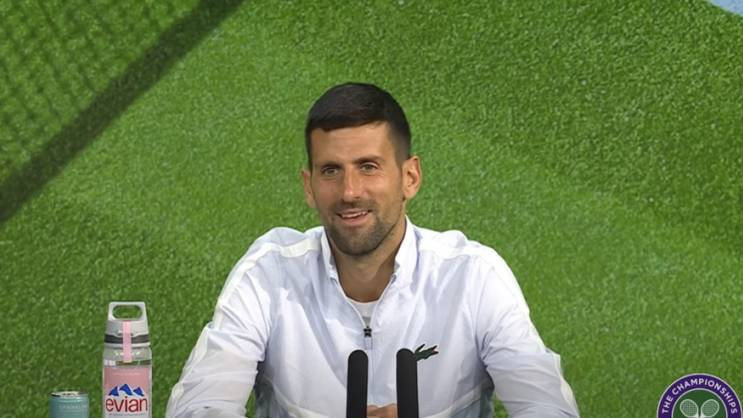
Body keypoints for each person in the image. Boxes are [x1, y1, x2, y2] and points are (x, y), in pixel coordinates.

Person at [166, 82, 580, 418]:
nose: (349, 192)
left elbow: (548, 408)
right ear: (309, 186)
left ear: (410, 177)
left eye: (368, 167)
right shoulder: (269, 272)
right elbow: (200, 406)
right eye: (331, 170)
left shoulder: (473, 276)